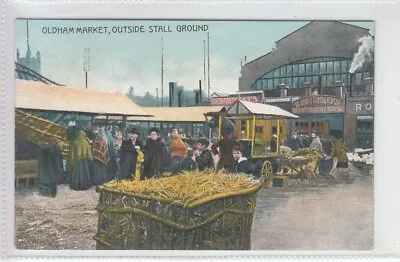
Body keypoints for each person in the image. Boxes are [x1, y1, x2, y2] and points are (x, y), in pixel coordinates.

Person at [66, 124, 93, 191]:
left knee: (76, 174)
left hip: (76, 162)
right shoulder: (85, 142)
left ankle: (76, 186)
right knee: (84, 174)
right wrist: (90, 159)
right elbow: (89, 153)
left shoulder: (75, 142)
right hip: (84, 162)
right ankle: (84, 185)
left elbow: (71, 153)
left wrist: (71, 161)